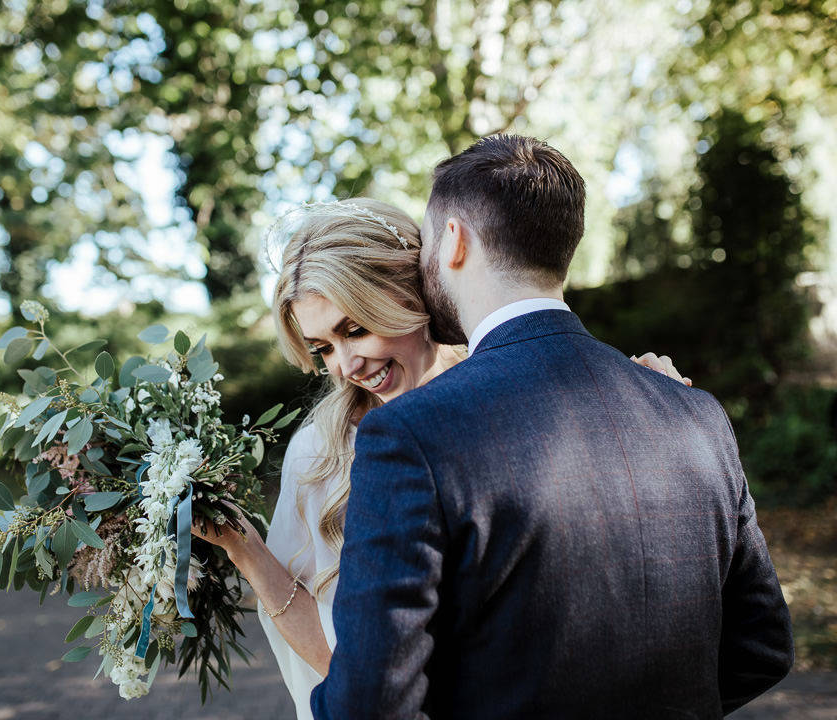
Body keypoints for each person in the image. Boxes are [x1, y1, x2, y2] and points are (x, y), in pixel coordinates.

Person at [309, 135, 794, 719]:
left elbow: (370, 704)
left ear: (455, 241)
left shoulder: (410, 433)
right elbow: (762, 648)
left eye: (429, 244)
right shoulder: (696, 413)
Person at [194, 195, 692, 719]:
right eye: (323, 349)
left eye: (355, 329)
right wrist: (242, 547)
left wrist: (646, 408)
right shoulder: (321, 451)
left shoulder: (526, 394)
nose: (345, 365)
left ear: (407, 294)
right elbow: (347, 670)